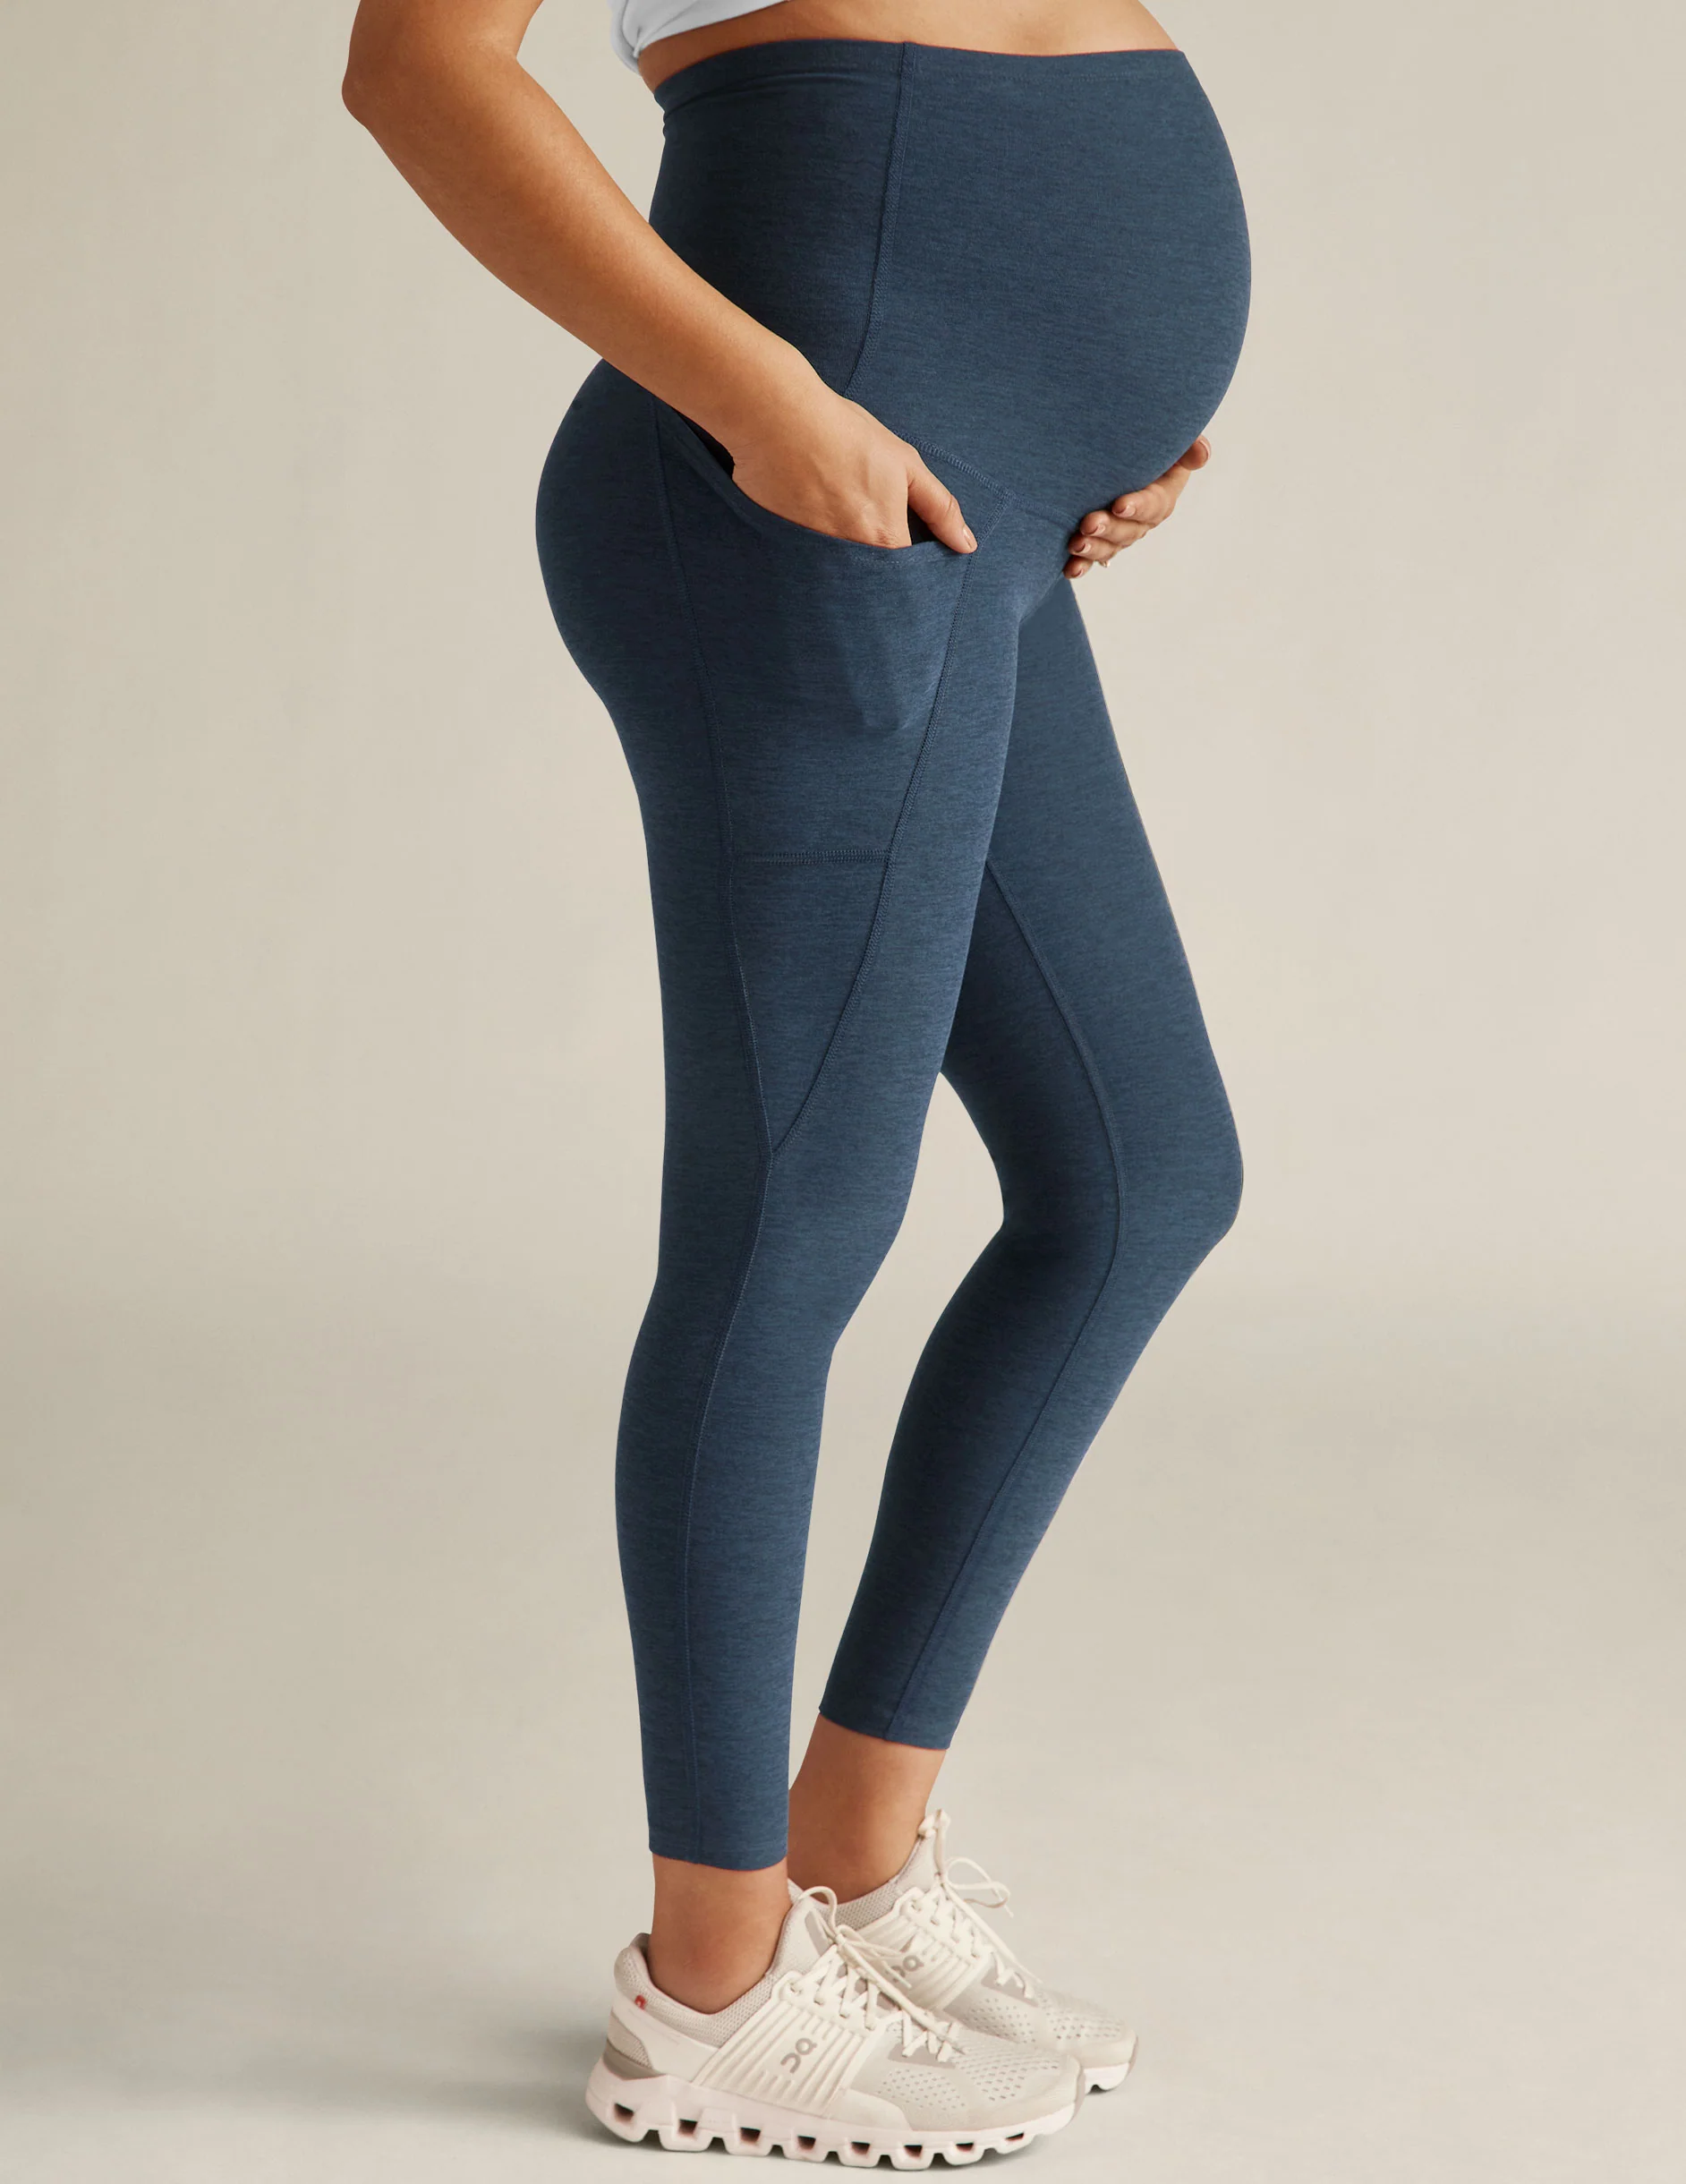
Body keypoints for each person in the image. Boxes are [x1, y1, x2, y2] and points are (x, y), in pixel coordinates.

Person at [344, 0, 1249, 2162]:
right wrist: (767, 405)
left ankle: (851, 1848)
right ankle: (711, 1986)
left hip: (974, 510)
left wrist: (1111, 402)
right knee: (792, 1225)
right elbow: (416, 65)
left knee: (1140, 1174)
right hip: (807, 490)